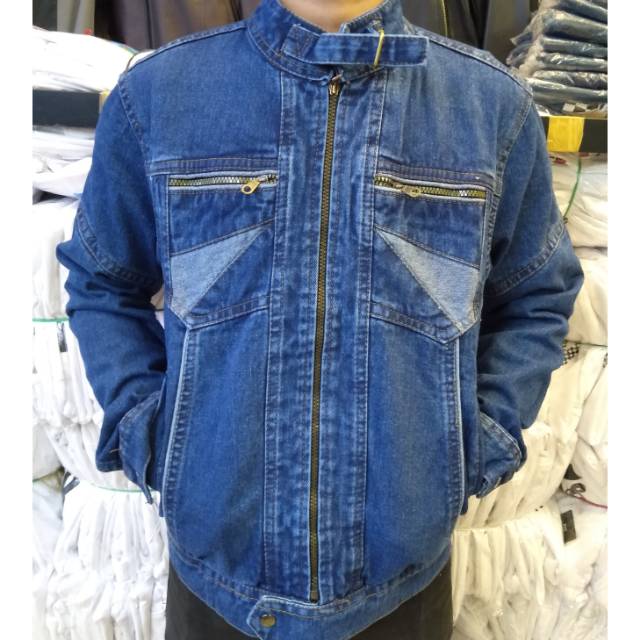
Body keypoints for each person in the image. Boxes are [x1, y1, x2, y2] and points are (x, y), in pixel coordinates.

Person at [55, 0, 584, 638]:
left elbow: (535, 294)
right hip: (213, 580)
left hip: (401, 583)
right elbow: (102, 281)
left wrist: (478, 442)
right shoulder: (159, 95)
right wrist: (154, 434)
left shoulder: (487, 106)